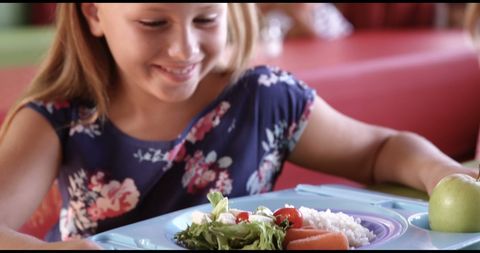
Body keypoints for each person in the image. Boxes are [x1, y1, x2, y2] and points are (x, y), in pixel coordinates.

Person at [0, 3, 475, 249]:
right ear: (94, 13)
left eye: (206, 18)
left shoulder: (265, 98)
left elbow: (382, 147)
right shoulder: (60, 118)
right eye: (152, 23)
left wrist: (443, 175)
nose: (184, 50)